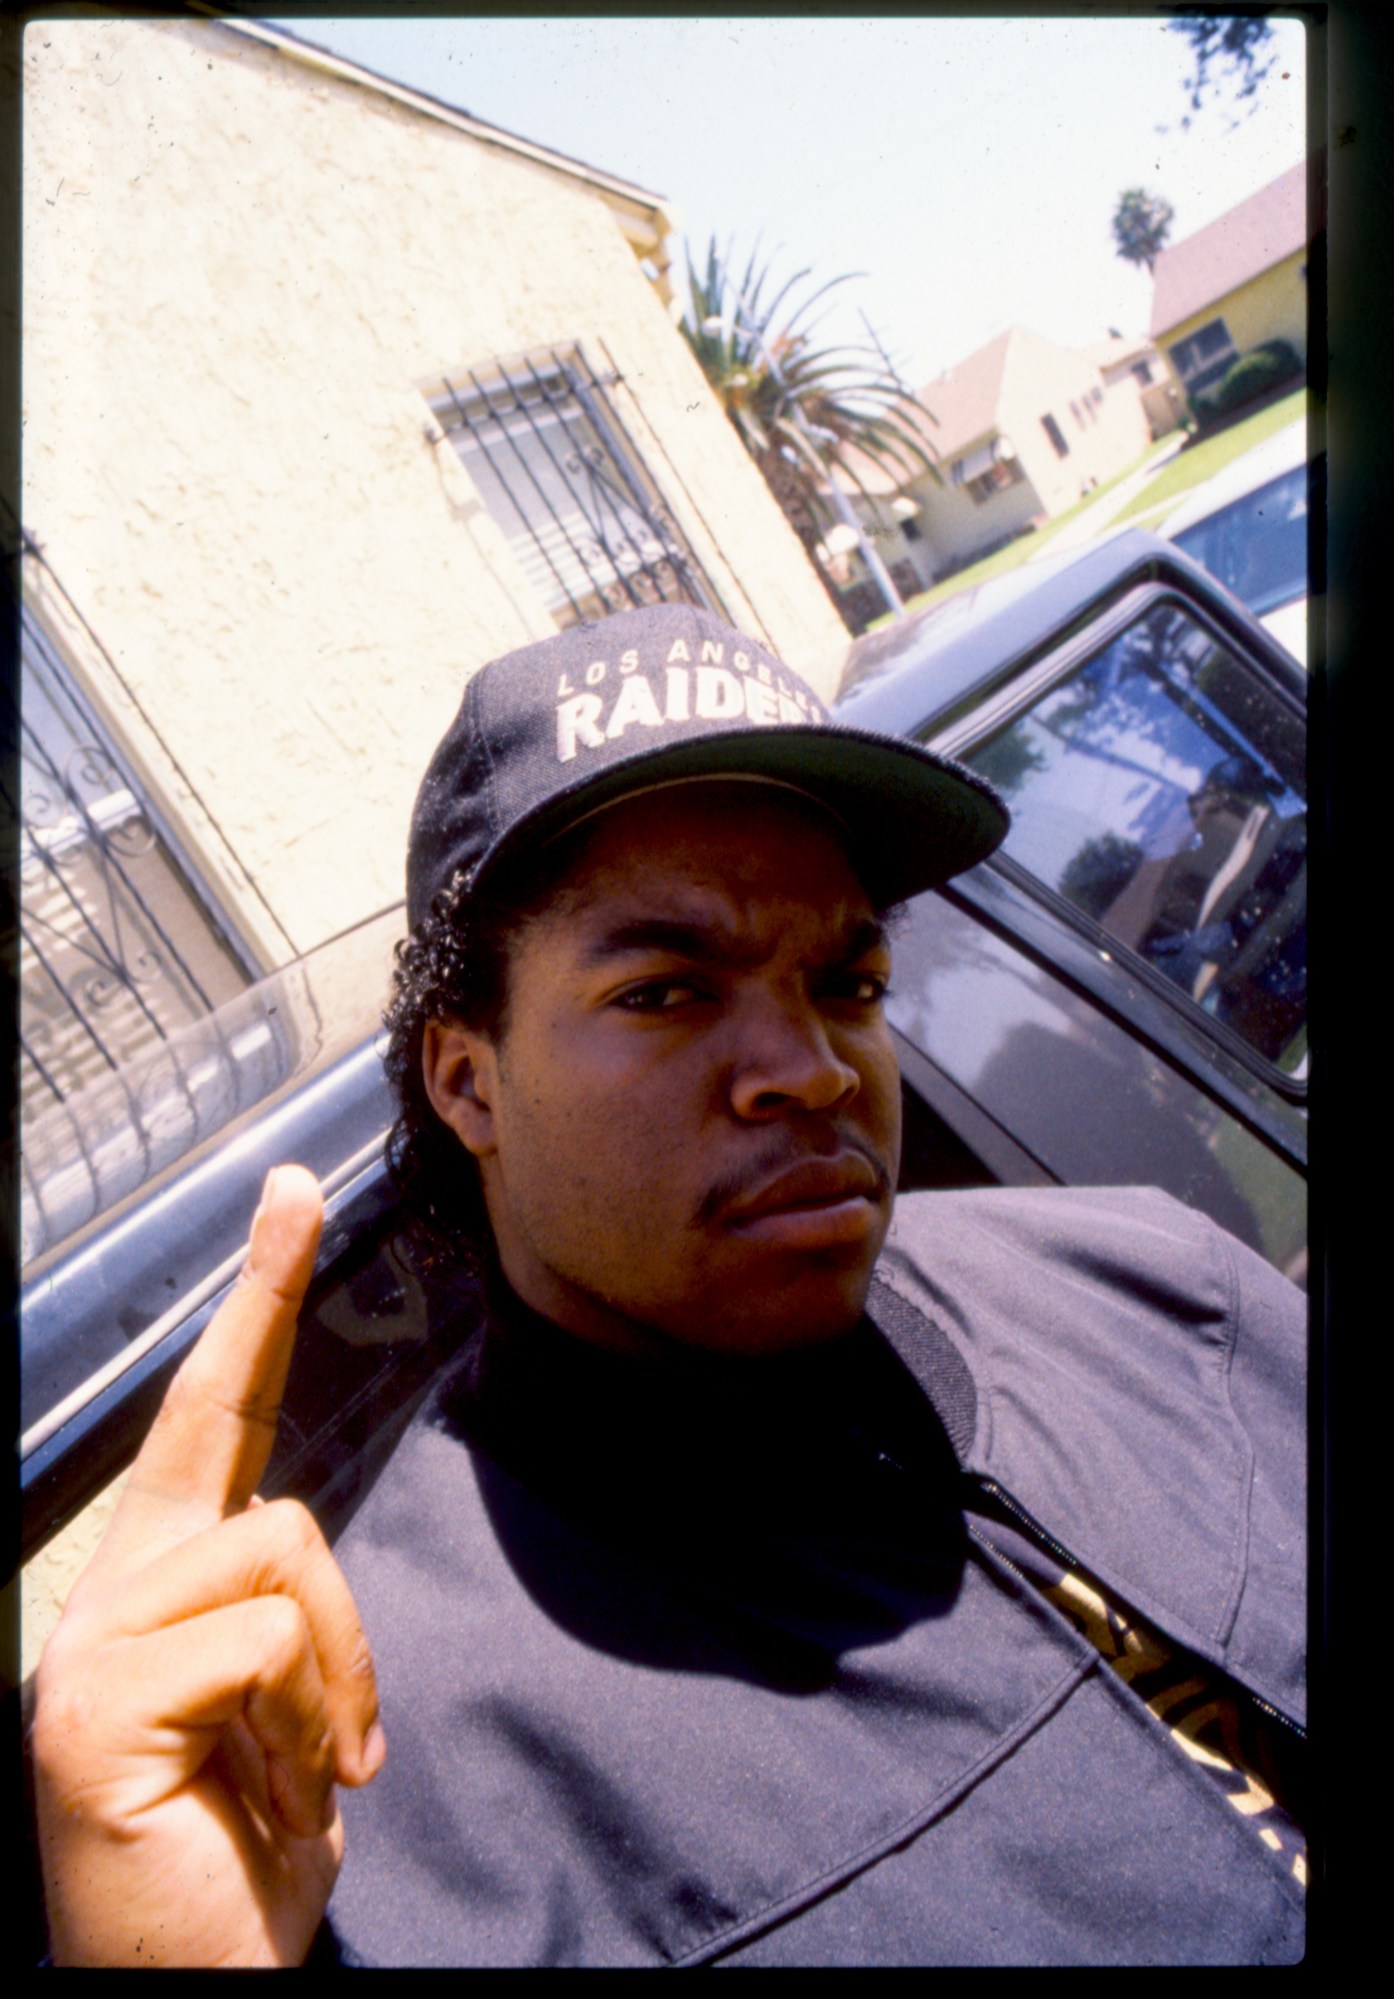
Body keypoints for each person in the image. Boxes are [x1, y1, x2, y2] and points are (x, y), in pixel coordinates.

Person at [31, 604, 1306, 1967]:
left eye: (848, 979)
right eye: (663, 992)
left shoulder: (1153, 1286)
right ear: (469, 1082)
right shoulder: (363, 1796)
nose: (811, 1065)